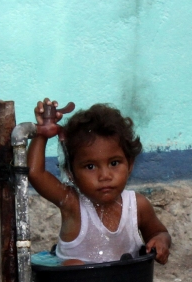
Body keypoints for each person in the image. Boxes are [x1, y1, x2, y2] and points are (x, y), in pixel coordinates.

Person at [27, 99, 171, 266]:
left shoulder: (138, 206)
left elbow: (159, 232)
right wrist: (41, 134)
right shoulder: (72, 204)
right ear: (71, 173)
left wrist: (160, 241)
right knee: (73, 265)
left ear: (130, 164)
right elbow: (35, 173)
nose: (105, 176)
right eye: (90, 166)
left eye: (114, 163)